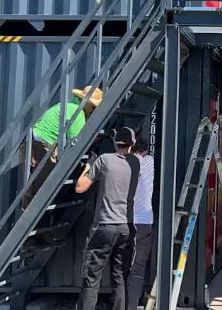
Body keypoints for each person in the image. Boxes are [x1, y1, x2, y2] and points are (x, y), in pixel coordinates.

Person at [20, 85, 104, 243]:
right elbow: (79, 140)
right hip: (41, 147)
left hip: (36, 145)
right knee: (44, 190)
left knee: (40, 187)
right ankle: (31, 231)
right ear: (86, 102)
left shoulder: (67, 106)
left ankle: (36, 231)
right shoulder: (77, 114)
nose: (93, 110)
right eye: (93, 107)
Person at [75, 127, 141, 310]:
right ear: (132, 144)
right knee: (119, 278)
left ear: (115, 142)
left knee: (91, 279)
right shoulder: (135, 163)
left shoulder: (104, 160)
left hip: (104, 227)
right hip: (126, 228)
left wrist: (89, 165)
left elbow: (80, 187)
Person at [126, 136, 155, 310]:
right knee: (137, 268)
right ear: (144, 151)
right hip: (144, 221)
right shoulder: (149, 161)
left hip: (126, 220)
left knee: (121, 267)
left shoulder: (125, 164)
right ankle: (132, 305)